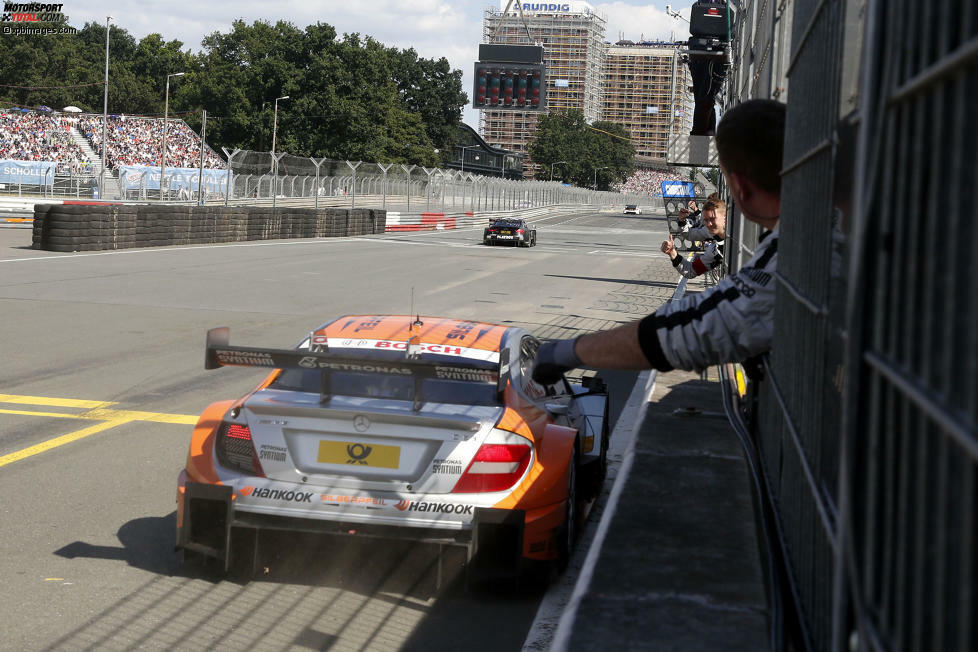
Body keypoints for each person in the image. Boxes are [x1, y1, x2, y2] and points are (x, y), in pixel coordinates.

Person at [532, 99, 784, 380]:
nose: (712, 223)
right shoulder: (804, 232)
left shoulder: (789, 252)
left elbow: (700, 326)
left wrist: (567, 352)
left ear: (740, 187)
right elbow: (694, 271)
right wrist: (676, 252)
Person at [662, 198, 726, 279]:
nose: (709, 224)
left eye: (713, 219)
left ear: (725, 216)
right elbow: (690, 271)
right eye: (706, 220)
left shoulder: (740, 230)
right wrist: (672, 253)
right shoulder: (713, 250)